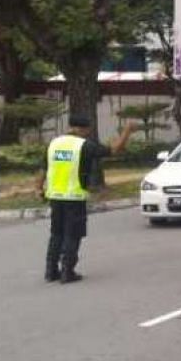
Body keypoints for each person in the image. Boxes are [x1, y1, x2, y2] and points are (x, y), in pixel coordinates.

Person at [36, 116, 136, 283]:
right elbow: (114, 150)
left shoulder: (54, 144)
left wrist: (38, 188)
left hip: (54, 196)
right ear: (83, 129)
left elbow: (43, 169)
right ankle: (68, 271)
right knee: (72, 234)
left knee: (57, 233)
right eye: (88, 130)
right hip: (74, 197)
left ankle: (51, 271)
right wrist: (127, 131)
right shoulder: (84, 145)